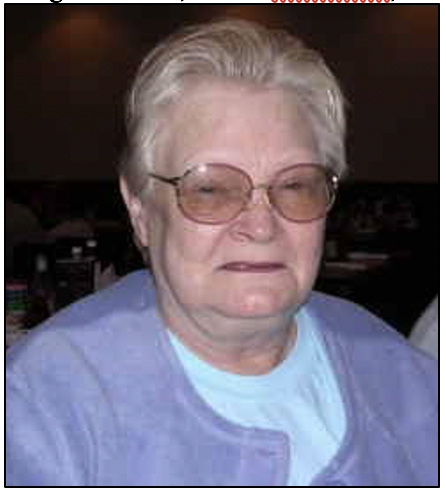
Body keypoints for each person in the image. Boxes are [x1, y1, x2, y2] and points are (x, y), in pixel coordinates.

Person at [6, 19, 437, 487]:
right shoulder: (43, 401)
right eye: (210, 188)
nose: (261, 225)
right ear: (140, 209)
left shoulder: (402, 376)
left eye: (295, 185)